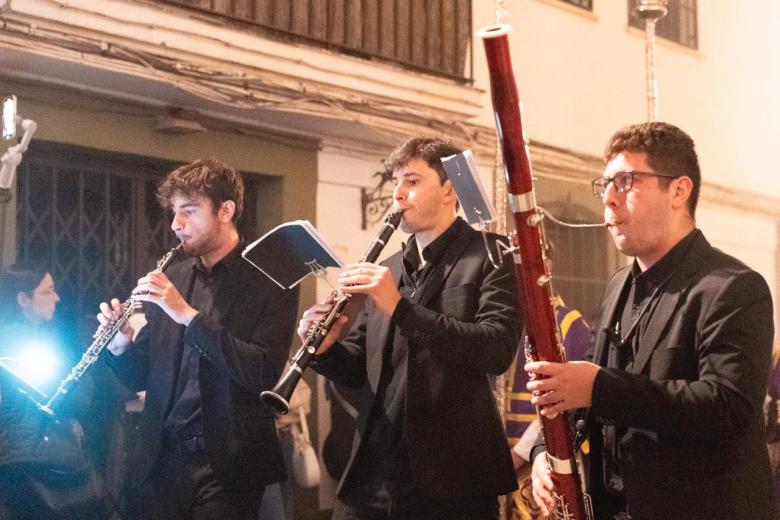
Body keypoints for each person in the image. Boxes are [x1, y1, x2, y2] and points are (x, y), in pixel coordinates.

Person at [526, 122, 774, 519]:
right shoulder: (617, 286)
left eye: (625, 181)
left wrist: (600, 387)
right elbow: (579, 391)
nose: (607, 198)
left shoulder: (734, 286)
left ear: (678, 190)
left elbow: (727, 407)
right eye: (604, 184)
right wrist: (545, 453)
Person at [299, 137, 521, 519]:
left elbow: (495, 349)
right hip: (372, 473)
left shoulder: (492, 254)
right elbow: (357, 368)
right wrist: (326, 349)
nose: (398, 194)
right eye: (395, 181)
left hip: (451, 481)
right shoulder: (391, 267)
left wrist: (401, 309)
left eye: (412, 181)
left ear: (449, 188)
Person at [99, 158, 299, 519]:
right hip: (160, 461)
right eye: (175, 212)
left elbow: (263, 373)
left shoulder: (271, 279)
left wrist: (188, 316)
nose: (176, 224)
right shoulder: (172, 276)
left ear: (226, 210)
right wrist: (121, 344)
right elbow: (140, 376)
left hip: (228, 467)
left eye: (189, 211)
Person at [0, 263, 105, 519]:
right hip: (31, 462)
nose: (56, 298)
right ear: (23, 299)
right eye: (47, 291)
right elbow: (72, 399)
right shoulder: (21, 342)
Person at [505, 243, 591, 520]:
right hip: (495, 461)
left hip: (538, 461)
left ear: (547, 266)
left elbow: (564, 401)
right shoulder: (501, 320)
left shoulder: (569, 324)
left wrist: (519, 454)